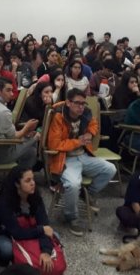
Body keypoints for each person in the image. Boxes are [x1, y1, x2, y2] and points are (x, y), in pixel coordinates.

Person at [47, 88, 117, 236]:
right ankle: (72, 218)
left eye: (83, 103)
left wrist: (89, 133)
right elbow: (54, 145)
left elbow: (94, 124)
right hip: (66, 158)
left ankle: (86, 195)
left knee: (110, 169)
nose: (81, 107)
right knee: (72, 184)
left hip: (84, 156)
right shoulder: (59, 116)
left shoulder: (85, 113)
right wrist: (77, 142)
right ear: (68, 102)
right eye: (77, 103)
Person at [0, 166, 57, 269]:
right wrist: (41, 230)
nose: (33, 183)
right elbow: (16, 233)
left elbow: (44, 223)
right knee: (7, 249)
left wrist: (46, 251)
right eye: (27, 181)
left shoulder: (35, 196)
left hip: (29, 231)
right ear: (17, 184)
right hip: (7, 235)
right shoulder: (4, 202)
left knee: (54, 235)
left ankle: (31, 257)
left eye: (33, 179)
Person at [0, 77, 38, 169]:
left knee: (30, 150)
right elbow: (14, 137)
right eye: (8, 90)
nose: (12, 94)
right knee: (35, 139)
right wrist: (27, 128)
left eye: (12, 90)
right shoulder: (3, 111)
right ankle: (18, 179)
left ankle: (19, 178)